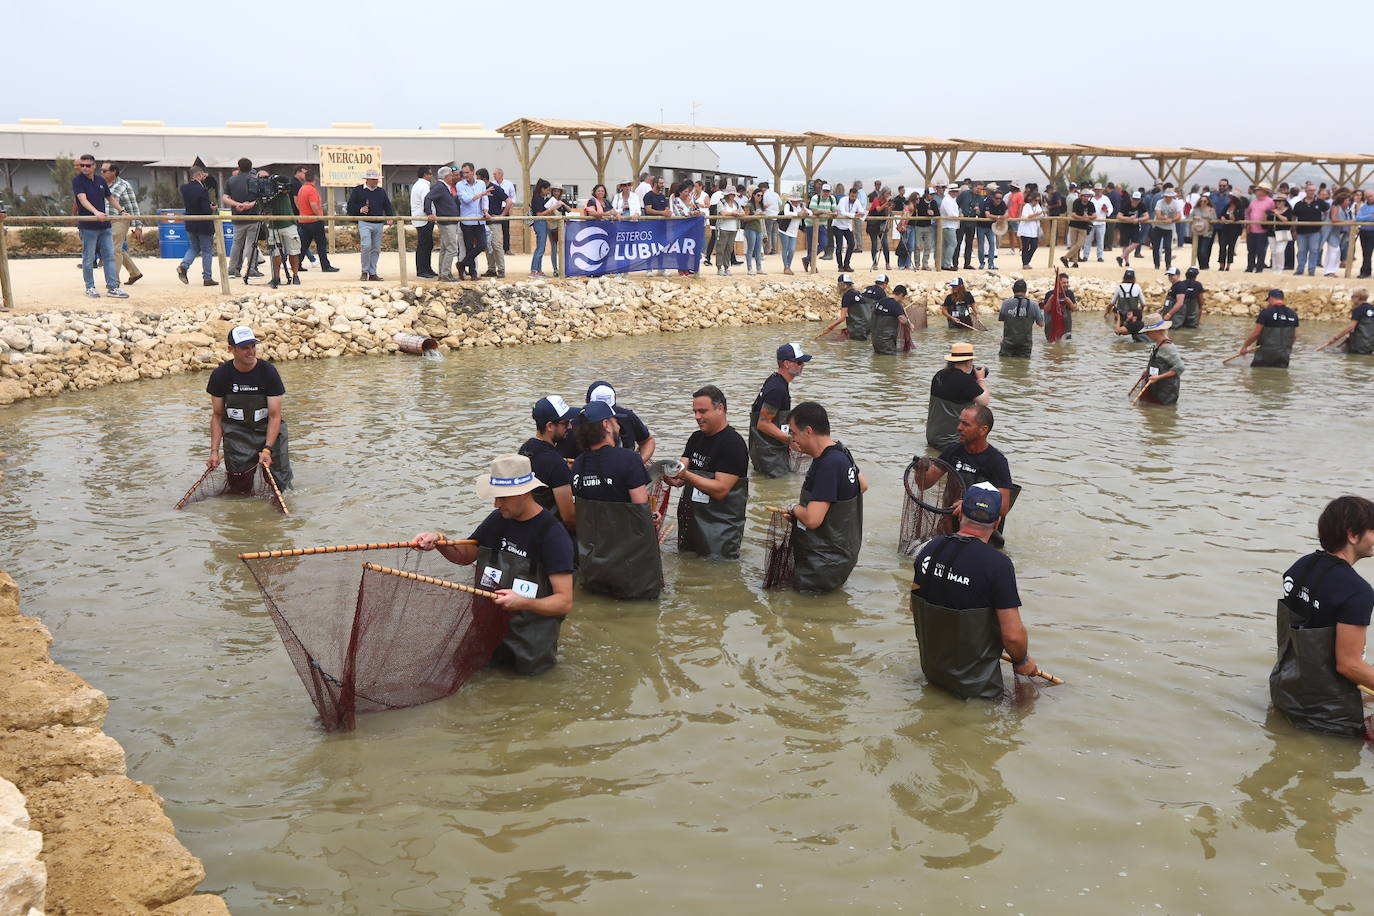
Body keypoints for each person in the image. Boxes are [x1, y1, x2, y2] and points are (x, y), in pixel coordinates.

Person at [412, 454, 574, 675]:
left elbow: (564, 602)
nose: (496, 503)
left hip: (529, 648)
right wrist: (439, 541)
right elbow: (466, 556)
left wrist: (524, 602)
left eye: (503, 497)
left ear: (524, 492)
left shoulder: (552, 534)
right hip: (487, 637)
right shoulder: (498, 519)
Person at [910, 483, 1043, 699]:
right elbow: (1012, 636)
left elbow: (913, 606)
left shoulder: (931, 548)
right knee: (1029, 704)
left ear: (960, 512)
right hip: (977, 691)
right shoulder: (998, 565)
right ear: (997, 523)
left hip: (933, 676)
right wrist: (1022, 661)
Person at [1269, 495, 1374, 737]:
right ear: (1352, 534)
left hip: (1285, 694)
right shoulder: (1357, 591)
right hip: (1328, 720)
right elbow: (1349, 665)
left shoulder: (1301, 566)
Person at [569, 401, 661, 600]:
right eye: (615, 421)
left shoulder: (578, 465)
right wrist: (654, 516)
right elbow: (641, 511)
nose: (619, 426)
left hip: (594, 571)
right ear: (606, 425)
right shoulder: (629, 460)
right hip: (631, 574)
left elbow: (580, 515)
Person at [784, 402, 867, 593]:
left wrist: (793, 508)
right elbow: (862, 485)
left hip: (821, 565)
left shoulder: (827, 465)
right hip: (842, 557)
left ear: (808, 431)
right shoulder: (841, 451)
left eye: (794, 433)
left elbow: (813, 520)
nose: (792, 439)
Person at [668, 385, 750, 561]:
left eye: (703, 411)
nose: (697, 417)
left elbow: (721, 489)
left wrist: (685, 475)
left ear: (720, 408)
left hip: (720, 531)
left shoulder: (733, 444)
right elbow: (679, 477)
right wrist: (667, 475)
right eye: (695, 411)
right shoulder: (695, 438)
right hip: (691, 527)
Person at [206, 325, 291, 489]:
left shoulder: (269, 372)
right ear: (231, 349)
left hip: (269, 429)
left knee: (280, 483)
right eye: (245, 348)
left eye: (253, 346)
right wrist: (214, 452)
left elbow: (275, 416)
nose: (251, 351)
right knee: (239, 487)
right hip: (237, 433)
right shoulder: (220, 375)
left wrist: (267, 449)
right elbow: (217, 416)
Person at [72, 153, 129, 299]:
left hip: (104, 226)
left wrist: (122, 211)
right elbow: (82, 200)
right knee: (89, 257)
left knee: (109, 256)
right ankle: (90, 287)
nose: (84, 168)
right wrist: (96, 212)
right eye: (82, 165)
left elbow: (110, 198)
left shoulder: (100, 180)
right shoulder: (77, 181)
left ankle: (112, 287)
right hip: (88, 225)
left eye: (87, 165)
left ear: (94, 166)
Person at [750, 343, 809, 478]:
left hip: (765, 451)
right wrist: (790, 440)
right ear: (787, 363)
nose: (803, 365)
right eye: (799, 362)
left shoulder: (775, 381)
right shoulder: (777, 389)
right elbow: (763, 424)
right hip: (770, 456)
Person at [519, 395, 576, 529]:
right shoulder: (556, 463)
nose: (570, 426)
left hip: (528, 526)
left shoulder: (526, 448)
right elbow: (569, 519)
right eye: (565, 422)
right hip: (548, 534)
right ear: (550, 426)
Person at [926, 341, 990, 450]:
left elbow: (955, 391)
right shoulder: (964, 380)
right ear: (969, 362)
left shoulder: (939, 374)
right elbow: (984, 401)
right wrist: (980, 379)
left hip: (932, 438)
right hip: (952, 441)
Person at [100, 162, 143, 286]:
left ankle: (114, 281)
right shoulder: (100, 184)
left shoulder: (123, 185)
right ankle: (135, 273)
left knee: (114, 249)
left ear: (114, 172)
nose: (101, 173)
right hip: (104, 220)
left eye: (104, 171)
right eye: (101, 170)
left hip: (120, 220)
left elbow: (132, 206)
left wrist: (138, 226)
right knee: (116, 248)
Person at [347, 168, 393, 281]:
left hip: (378, 223)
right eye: (373, 179)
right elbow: (350, 206)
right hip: (364, 222)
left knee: (376, 249)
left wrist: (390, 217)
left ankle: (372, 272)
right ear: (367, 179)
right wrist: (360, 209)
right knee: (366, 246)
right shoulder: (358, 190)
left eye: (376, 179)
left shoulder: (381, 191)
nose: (375, 181)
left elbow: (387, 205)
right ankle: (364, 271)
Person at [176, 166, 217, 287]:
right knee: (207, 251)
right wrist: (212, 208)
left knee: (194, 247)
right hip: (203, 224)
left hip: (190, 222)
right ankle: (207, 278)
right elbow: (205, 210)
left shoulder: (184, 188)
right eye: (203, 175)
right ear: (199, 175)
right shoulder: (202, 190)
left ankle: (184, 266)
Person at [224, 158, 263, 279]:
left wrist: (237, 204)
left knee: (236, 244)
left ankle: (231, 270)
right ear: (251, 168)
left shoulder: (231, 180)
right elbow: (260, 198)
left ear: (238, 167)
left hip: (237, 217)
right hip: (253, 216)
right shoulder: (255, 180)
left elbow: (225, 197)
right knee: (251, 244)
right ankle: (251, 269)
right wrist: (249, 205)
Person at [260, 175, 302, 289]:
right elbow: (263, 208)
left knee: (293, 251)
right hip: (273, 226)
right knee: (275, 253)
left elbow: (288, 188)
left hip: (288, 223)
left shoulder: (282, 188)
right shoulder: (264, 193)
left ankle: (295, 275)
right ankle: (276, 277)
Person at [1135, 312, 1183, 405]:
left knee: (1163, 412)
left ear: (1156, 331)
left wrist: (1159, 377)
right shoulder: (1157, 344)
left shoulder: (1167, 347)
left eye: (1147, 332)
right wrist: (1147, 371)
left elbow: (1179, 367)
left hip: (1165, 391)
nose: (1147, 335)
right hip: (1156, 387)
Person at [425, 166, 464, 282]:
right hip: (447, 223)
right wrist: (429, 212)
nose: (453, 177)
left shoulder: (443, 187)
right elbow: (428, 198)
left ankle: (443, 273)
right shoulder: (440, 187)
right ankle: (445, 274)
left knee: (445, 249)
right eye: (451, 175)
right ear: (447, 176)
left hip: (448, 221)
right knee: (452, 248)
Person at [1242, 289, 1299, 368]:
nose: (1268, 303)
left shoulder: (1266, 313)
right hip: (1283, 357)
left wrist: (1245, 347)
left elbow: (1256, 334)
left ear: (1271, 298)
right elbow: (1295, 336)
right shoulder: (1293, 314)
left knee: (1260, 377)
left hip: (1264, 357)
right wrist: (1284, 348)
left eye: (1268, 300)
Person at [294, 170, 336, 273]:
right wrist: (319, 216)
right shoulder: (312, 190)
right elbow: (313, 204)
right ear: (315, 179)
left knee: (304, 244)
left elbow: (298, 204)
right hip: (314, 220)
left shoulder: (302, 189)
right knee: (321, 244)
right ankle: (325, 266)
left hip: (303, 220)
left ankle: (298, 264)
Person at [455, 163, 490, 281]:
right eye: (463, 173)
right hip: (467, 221)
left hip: (479, 219)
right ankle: (473, 273)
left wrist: (486, 211)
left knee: (482, 244)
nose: (464, 175)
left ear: (472, 172)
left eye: (466, 172)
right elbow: (466, 200)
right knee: (469, 247)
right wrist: (481, 194)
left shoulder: (480, 184)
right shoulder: (460, 185)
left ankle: (462, 264)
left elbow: (484, 200)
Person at [997, 279, 1043, 358]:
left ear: (1013, 290)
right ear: (1025, 291)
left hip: (1008, 345)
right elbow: (1041, 324)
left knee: (1006, 366)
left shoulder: (1006, 303)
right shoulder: (1034, 305)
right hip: (1025, 346)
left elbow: (1002, 318)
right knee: (1023, 368)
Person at [1321, 289, 1374, 354]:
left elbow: (1350, 327)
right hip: (1370, 346)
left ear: (1358, 298)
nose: (1351, 299)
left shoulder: (1358, 309)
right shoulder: (1372, 308)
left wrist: (1335, 338)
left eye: (1352, 297)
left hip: (1358, 346)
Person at [478, 167, 508, 279]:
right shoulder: (480, 190)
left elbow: (509, 201)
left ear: (484, 179)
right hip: (484, 221)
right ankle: (491, 268)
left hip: (494, 221)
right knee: (487, 246)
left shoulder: (495, 189)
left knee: (496, 245)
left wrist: (502, 215)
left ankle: (501, 269)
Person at [870, 283, 911, 355]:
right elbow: (903, 320)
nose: (902, 299)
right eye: (903, 297)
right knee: (890, 361)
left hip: (875, 341)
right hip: (887, 343)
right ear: (901, 295)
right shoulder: (896, 305)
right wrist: (909, 325)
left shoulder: (880, 302)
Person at [411, 167, 436, 278]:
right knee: (424, 245)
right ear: (425, 175)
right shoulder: (423, 185)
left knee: (428, 244)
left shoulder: (419, 185)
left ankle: (427, 268)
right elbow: (426, 200)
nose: (431, 176)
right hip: (424, 218)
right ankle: (422, 270)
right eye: (430, 174)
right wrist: (429, 213)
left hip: (421, 218)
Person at [1245, 184, 1276, 273]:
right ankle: (1250, 267)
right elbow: (1248, 213)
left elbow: (1272, 214)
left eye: (1259, 190)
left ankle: (1259, 267)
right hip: (1252, 229)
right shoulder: (1253, 202)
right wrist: (1247, 224)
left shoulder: (1270, 202)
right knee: (1251, 249)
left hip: (1263, 230)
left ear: (1264, 191)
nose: (1257, 191)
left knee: (1261, 250)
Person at [1061, 188, 1094, 268]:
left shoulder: (1091, 204)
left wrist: (1088, 217)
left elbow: (1095, 215)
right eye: (1084, 196)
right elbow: (1073, 214)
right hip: (1074, 226)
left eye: (1087, 196)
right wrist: (1082, 218)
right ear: (1081, 196)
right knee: (1074, 244)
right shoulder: (1076, 202)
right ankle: (1075, 262)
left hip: (1083, 227)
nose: (1086, 198)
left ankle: (1065, 257)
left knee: (1080, 244)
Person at [1150, 188, 1182, 270]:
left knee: (1168, 246)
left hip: (1168, 228)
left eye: (1170, 196)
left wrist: (1171, 220)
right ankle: (1156, 264)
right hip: (1157, 226)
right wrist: (1168, 218)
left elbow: (1179, 215)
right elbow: (1158, 215)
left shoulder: (1176, 203)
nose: (1168, 198)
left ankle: (1168, 264)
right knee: (1156, 246)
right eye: (1167, 196)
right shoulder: (1159, 202)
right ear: (1164, 196)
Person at [833, 186, 862, 272]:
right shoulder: (843, 200)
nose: (853, 198)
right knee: (839, 246)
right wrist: (854, 215)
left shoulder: (857, 201)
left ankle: (846, 264)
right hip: (838, 225)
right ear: (849, 195)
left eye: (855, 196)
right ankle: (840, 266)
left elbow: (861, 211)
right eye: (852, 196)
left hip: (847, 226)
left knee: (852, 244)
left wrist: (860, 213)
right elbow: (842, 212)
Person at [1041, 271, 1077, 340]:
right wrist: (1051, 300)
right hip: (1052, 327)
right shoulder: (1049, 294)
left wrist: (1069, 303)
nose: (1066, 284)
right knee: (1052, 345)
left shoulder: (1069, 293)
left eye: (1067, 282)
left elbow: (1074, 309)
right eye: (1064, 283)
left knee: (1066, 346)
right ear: (1058, 283)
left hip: (1066, 327)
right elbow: (1046, 310)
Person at [528, 178, 553, 277]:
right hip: (540, 222)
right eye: (547, 189)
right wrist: (550, 209)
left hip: (542, 223)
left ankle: (538, 270)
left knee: (541, 248)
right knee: (540, 248)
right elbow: (539, 214)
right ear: (542, 189)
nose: (548, 192)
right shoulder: (537, 199)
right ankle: (534, 270)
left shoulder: (539, 198)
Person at [714, 188, 741, 276]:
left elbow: (742, 212)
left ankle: (726, 267)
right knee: (721, 248)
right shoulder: (721, 202)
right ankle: (719, 267)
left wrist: (737, 213)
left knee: (729, 249)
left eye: (733, 194)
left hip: (733, 228)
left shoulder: (736, 204)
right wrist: (733, 213)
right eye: (730, 194)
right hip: (723, 228)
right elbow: (723, 213)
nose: (732, 196)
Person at [836, 273, 869, 341]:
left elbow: (842, 318)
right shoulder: (857, 293)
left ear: (843, 285)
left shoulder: (847, 296)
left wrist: (829, 328)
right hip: (867, 328)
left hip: (858, 330)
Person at [1016, 190, 1043, 268]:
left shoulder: (1038, 206)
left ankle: (1027, 261)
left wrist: (1039, 214)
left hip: (1034, 230)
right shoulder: (1027, 206)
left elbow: (1041, 215)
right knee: (1025, 247)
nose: (1037, 202)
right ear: (1032, 199)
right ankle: (1025, 263)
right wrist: (1036, 214)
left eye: (1038, 200)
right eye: (1036, 200)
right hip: (1026, 230)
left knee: (1034, 246)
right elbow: (1025, 216)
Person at [742, 188, 767, 275]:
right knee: (750, 249)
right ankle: (750, 268)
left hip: (758, 229)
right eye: (758, 195)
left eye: (761, 195)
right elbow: (745, 219)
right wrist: (755, 215)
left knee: (758, 250)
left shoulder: (760, 205)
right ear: (753, 195)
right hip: (750, 229)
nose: (760, 197)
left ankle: (759, 268)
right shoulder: (749, 205)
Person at [494, 167, 517, 254]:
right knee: (493, 229)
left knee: (506, 229)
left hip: (505, 208)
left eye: (495, 174)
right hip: (495, 208)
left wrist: (511, 207)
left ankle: (506, 249)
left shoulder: (509, 184)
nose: (494, 175)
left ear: (500, 174)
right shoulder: (492, 184)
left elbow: (513, 196)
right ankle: (493, 249)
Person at [1191, 194, 1217, 270]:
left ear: (1208, 202)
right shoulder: (1196, 209)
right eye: (1201, 201)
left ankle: (1205, 266)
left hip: (1207, 232)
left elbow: (1214, 220)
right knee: (1198, 251)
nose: (1202, 202)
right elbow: (1190, 216)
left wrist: (1210, 215)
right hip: (1197, 232)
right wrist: (1194, 217)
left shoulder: (1211, 209)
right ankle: (1202, 266)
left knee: (1204, 250)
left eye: (1204, 201)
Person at [939, 186, 961, 270]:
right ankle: (947, 264)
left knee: (946, 245)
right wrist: (959, 215)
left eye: (956, 191)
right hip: (948, 225)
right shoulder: (947, 200)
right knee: (953, 244)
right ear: (950, 192)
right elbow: (950, 214)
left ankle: (943, 263)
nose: (955, 193)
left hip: (950, 225)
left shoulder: (950, 200)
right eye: (954, 191)